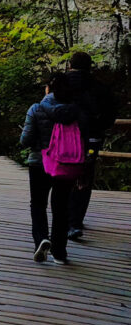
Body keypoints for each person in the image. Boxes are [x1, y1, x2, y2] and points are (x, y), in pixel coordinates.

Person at [20, 73, 85, 264]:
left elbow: (26, 140)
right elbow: (84, 137)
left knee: (38, 204)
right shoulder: (76, 111)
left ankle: (41, 239)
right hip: (67, 165)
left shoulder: (37, 108)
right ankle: (59, 253)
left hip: (40, 163)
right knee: (61, 207)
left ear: (50, 89)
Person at [65, 52, 118, 240]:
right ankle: (75, 221)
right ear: (89, 66)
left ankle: (63, 220)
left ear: (70, 65)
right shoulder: (99, 87)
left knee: (63, 175)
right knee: (84, 177)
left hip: (65, 140)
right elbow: (111, 112)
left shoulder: (61, 84)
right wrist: (98, 127)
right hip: (91, 139)